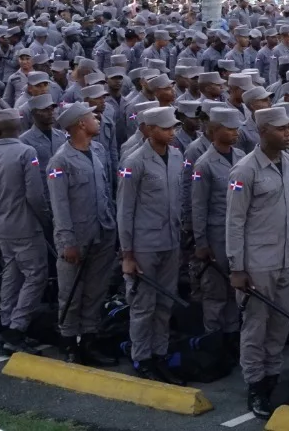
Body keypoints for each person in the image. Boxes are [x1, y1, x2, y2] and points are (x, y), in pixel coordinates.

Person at [226, 106, 289, 419]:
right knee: (256, 327)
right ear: (263, 131)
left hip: (285, 257)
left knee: (280, 324)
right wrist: (237, 268)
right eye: (281, 128)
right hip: (257, 262)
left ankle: (273, 378)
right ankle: (256, 386)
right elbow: (234, 222)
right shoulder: (245, 170)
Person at [47, 102, 118, 366]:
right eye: (91, 116)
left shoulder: (97, 150)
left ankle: (89, 340)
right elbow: (59, 205)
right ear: (80, 124)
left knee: (96, 290)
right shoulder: (60, 160)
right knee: (71, 293)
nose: (97, 118)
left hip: (102, 231)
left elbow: (105, 193)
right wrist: (67, 241)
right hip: (76, 236)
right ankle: (68, 342)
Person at [117, 106, 184, 384]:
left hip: (171, 241)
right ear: (151, 129)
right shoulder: (135, 162)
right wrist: (127, 254)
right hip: (144, 244)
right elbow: (124, 210)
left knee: (165, 302)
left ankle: (160, 353)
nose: (172, 132)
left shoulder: (177, 155)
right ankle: (142, 357)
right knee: (143, 305)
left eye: (173, 128)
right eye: (166, 128)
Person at [0, 107, 51, 355]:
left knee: (12, 273)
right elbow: (35, 195)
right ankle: (17, 329)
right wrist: (46, 220)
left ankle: (6, 321)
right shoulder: (27, 152)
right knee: (36, 275)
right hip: (26, 225)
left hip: (3, 226)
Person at [190, 107, 245, 341]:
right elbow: (198, 206)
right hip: (215, 234)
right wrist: (201, 242)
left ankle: (232, 333)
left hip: (237, 233)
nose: (235, 133)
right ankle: (213, 338)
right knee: (215, 291)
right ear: (214, 131)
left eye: (236, 129)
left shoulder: (242, 157)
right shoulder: (204, 164)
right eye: (229, 129)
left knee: (235, 287)